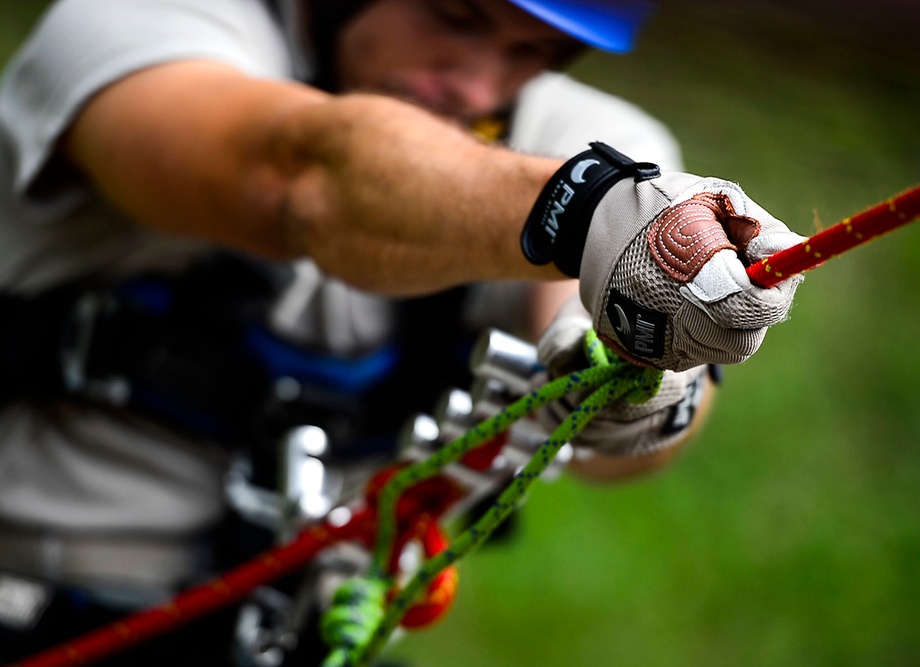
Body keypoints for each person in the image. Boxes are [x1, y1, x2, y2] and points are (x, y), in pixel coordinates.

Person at [0, 0, 804, 663]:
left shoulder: (596, 142)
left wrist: (643, 379)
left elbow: (608, 370)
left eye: (535, 49)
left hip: (297, 637)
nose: (477, 85)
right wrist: (579, 207)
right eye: (455, 16)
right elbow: (302, 177)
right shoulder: (142, 30)